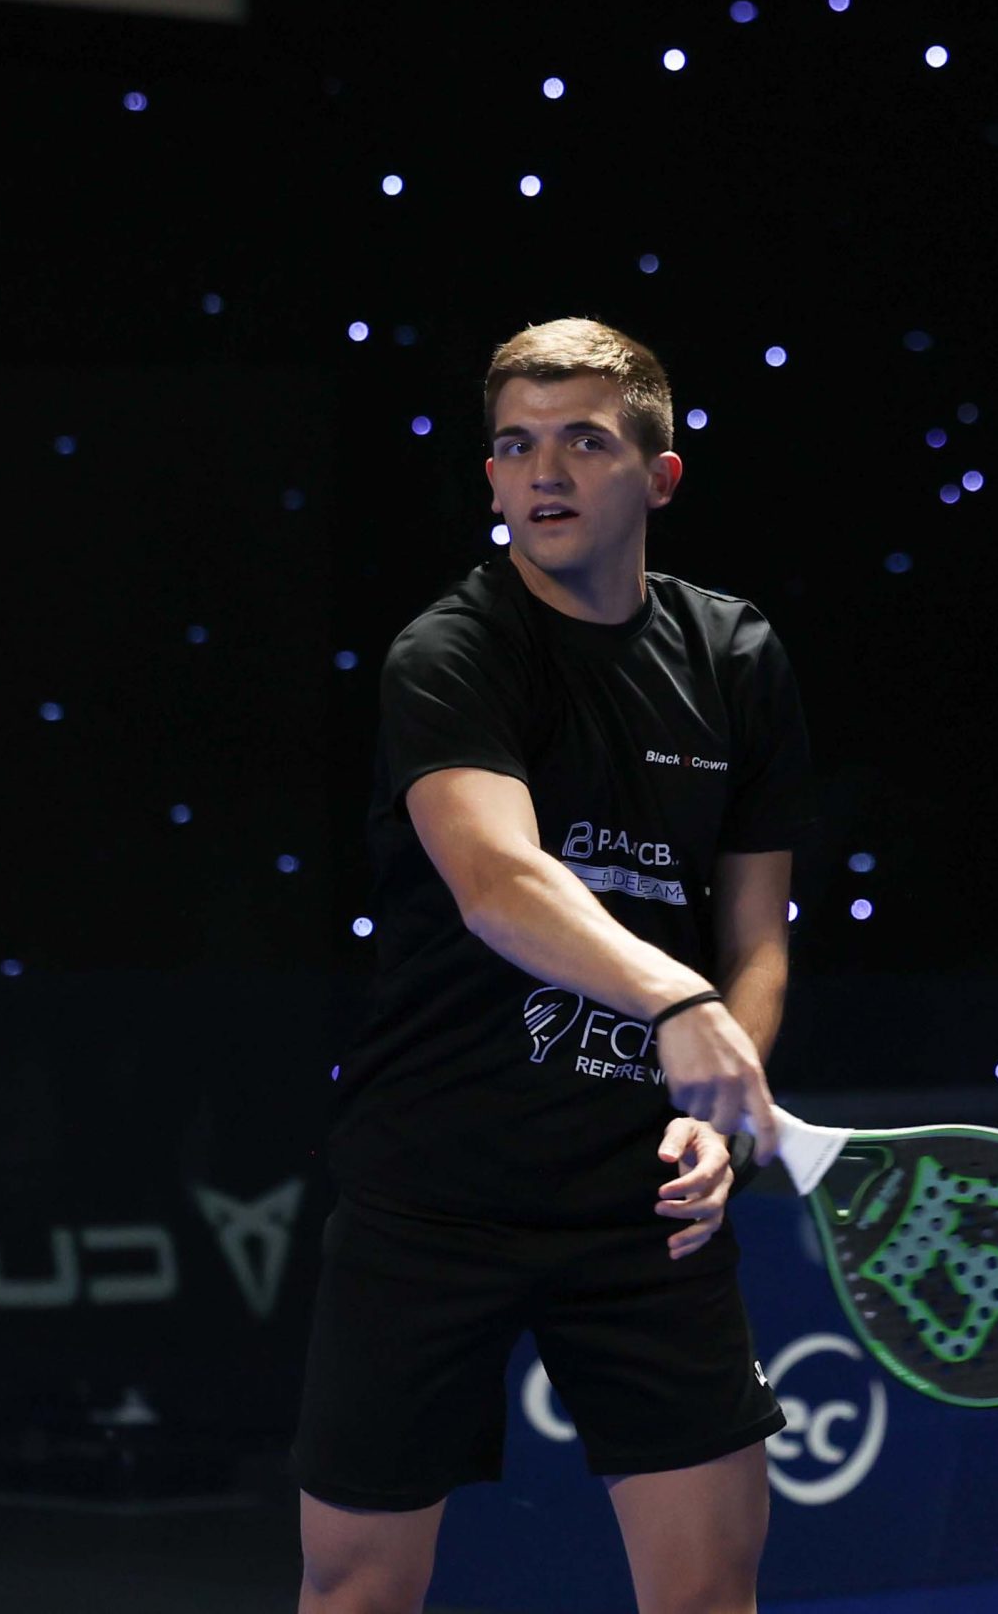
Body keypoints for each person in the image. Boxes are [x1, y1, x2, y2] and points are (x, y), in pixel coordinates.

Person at [290, 317, 820, 1614]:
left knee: (710, 1590)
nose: (545, 471)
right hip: (435, 1193)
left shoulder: (736, 660)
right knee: (357, 1590)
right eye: (517, 446)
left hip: (646, 1206)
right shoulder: (450, 654)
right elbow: (499, 883)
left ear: (660, 475)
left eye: (585, 441)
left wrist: (723, 1102)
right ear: (489, 477)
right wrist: (677, 1001)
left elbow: (756, 933)